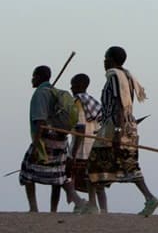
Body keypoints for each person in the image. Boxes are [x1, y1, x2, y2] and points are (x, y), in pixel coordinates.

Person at [87, 46, 158, 216]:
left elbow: (120, 106)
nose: (104, 62)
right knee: (129, 166)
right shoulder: (127, 77)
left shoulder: (114, 77)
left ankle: (92, 206)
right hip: (127, 128)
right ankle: (149, 198)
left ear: (112, 59)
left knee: (93, 165)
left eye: (106, 58)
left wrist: (118, 131)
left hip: (114, 128)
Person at [18, 64, 71, 213]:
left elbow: (40, 122)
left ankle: (33, 208)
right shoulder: (54, 92)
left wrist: (36, 146)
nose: (32, 79)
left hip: (45, 138)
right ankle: (53, 210)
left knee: (27, 171)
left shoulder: (40, 94)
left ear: (39, 77)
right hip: (60, 139)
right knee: (57, 175)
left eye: (34, 76)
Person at [65, 73, 102, 215]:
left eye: (72, 84)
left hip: (81, 148)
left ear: (79, 86)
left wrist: (72, 154)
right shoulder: (94, 103)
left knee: (69, 176)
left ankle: (79, 204)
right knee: (94, 181)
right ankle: (100, 208)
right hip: (93, 146)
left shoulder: (78, 102)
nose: (71, 87)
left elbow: (80, 127)